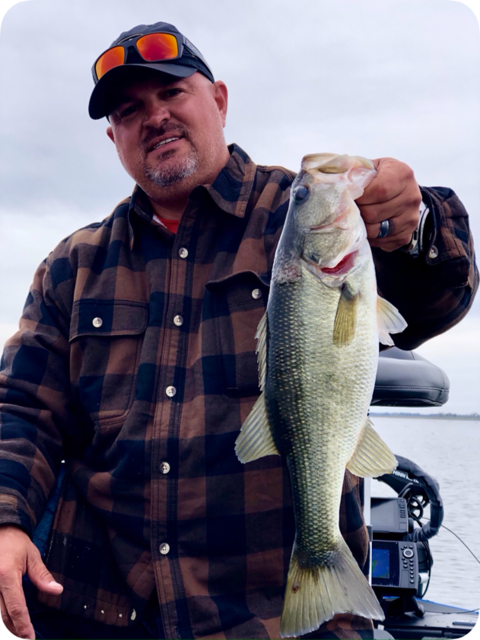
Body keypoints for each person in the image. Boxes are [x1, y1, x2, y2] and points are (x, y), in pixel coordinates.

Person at [0, 21, 477, 640]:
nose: (155, 116)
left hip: (276, 619)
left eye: (172, 93)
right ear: (113, 137)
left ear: (219, 100)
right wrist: (8, 520)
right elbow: (23, 408)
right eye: (129, 109)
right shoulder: (74, 264)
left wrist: (413, 226)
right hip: (101, 612)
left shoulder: (303, 215)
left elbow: (434, 297)